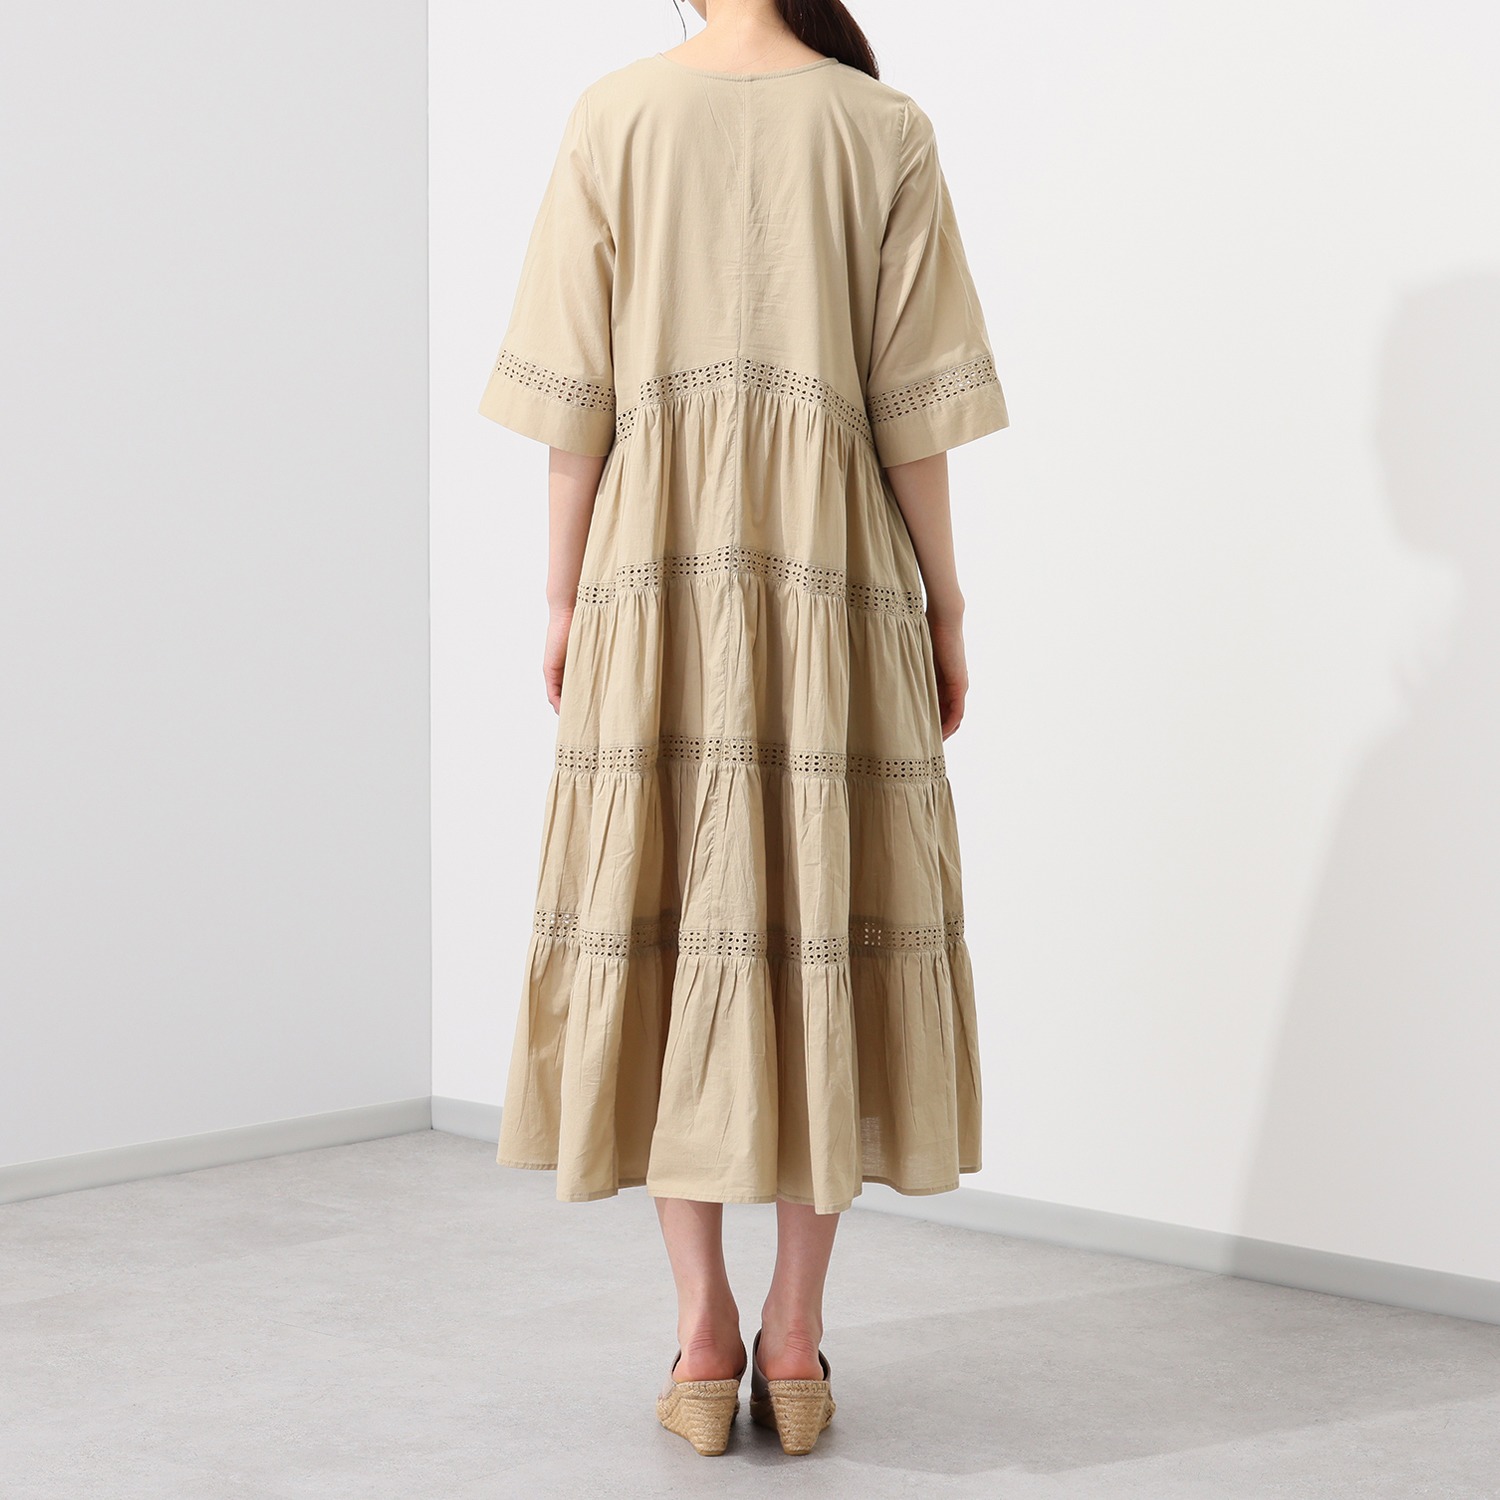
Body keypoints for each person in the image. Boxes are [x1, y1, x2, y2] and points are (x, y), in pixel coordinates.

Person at [475, 0, 1009, 1457]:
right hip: (833, 578)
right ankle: (795, 1337)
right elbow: (915, 415)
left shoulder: (616, 114)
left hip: (652, 573)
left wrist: (564, 598)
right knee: (821, 917)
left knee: (667, 926)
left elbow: (574, 403)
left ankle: (703, 1339)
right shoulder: (881, 125)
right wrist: (946, 605)